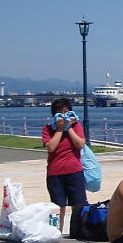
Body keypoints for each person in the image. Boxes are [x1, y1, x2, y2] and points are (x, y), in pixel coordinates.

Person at [42, 98, 88, 234]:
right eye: (60, 112)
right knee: (58, 207)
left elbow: (80, 144)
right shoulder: (47, 129)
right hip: (55, 173)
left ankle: (77, 231)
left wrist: (69, 128)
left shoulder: (76, 126)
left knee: (78, 204)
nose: (64, 115)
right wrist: (60, 129)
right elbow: (51, 147)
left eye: (66, 112)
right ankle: (56, 231)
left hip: (74, 171)